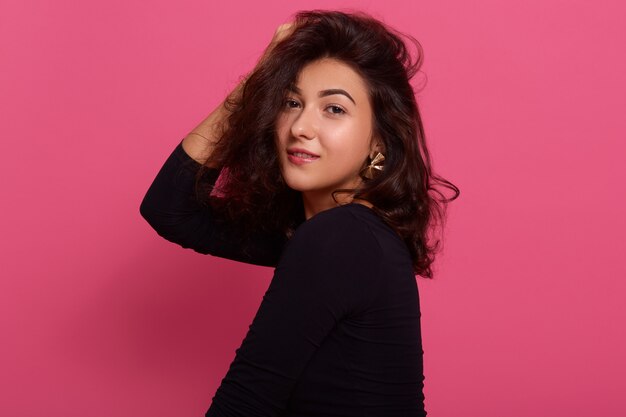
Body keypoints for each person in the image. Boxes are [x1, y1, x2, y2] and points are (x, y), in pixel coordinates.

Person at [140, 10, 459, 417]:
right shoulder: (338, 234)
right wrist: (261, 81)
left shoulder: (339, 239)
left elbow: (245, 402)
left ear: (379, 139)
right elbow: (170, 208)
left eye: (334, 109)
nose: (300, 127)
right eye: (290, 102)